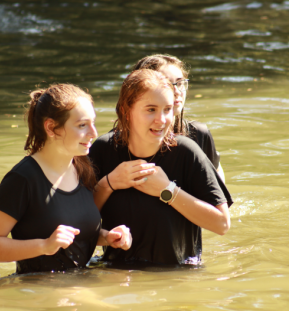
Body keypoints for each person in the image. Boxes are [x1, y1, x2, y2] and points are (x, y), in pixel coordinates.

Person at [0, 84, 132, 274]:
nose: (93, 133)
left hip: (80, 282)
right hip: (39, 291)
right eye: (82, 125)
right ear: (51, 128)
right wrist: (43, 246)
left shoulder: (83, 168)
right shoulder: (23, 178)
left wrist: (107, 237)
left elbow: (74, 235)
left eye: (93, 123)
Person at [89, 69, 232, 266]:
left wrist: (167, 191)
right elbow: (76, 222)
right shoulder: (103, 150)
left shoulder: (186, 152)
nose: (162, 120)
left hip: (178, 277)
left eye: (167, 109)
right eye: (151, 109)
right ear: (125, 111)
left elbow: (222, 224)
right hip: (117, 277)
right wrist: (108, 184)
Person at [131, 54, 225, 182]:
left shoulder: (198, 134)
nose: (177, 91)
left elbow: (218, 187)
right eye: (167, 83)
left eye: (180, 83)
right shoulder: (115, 142)